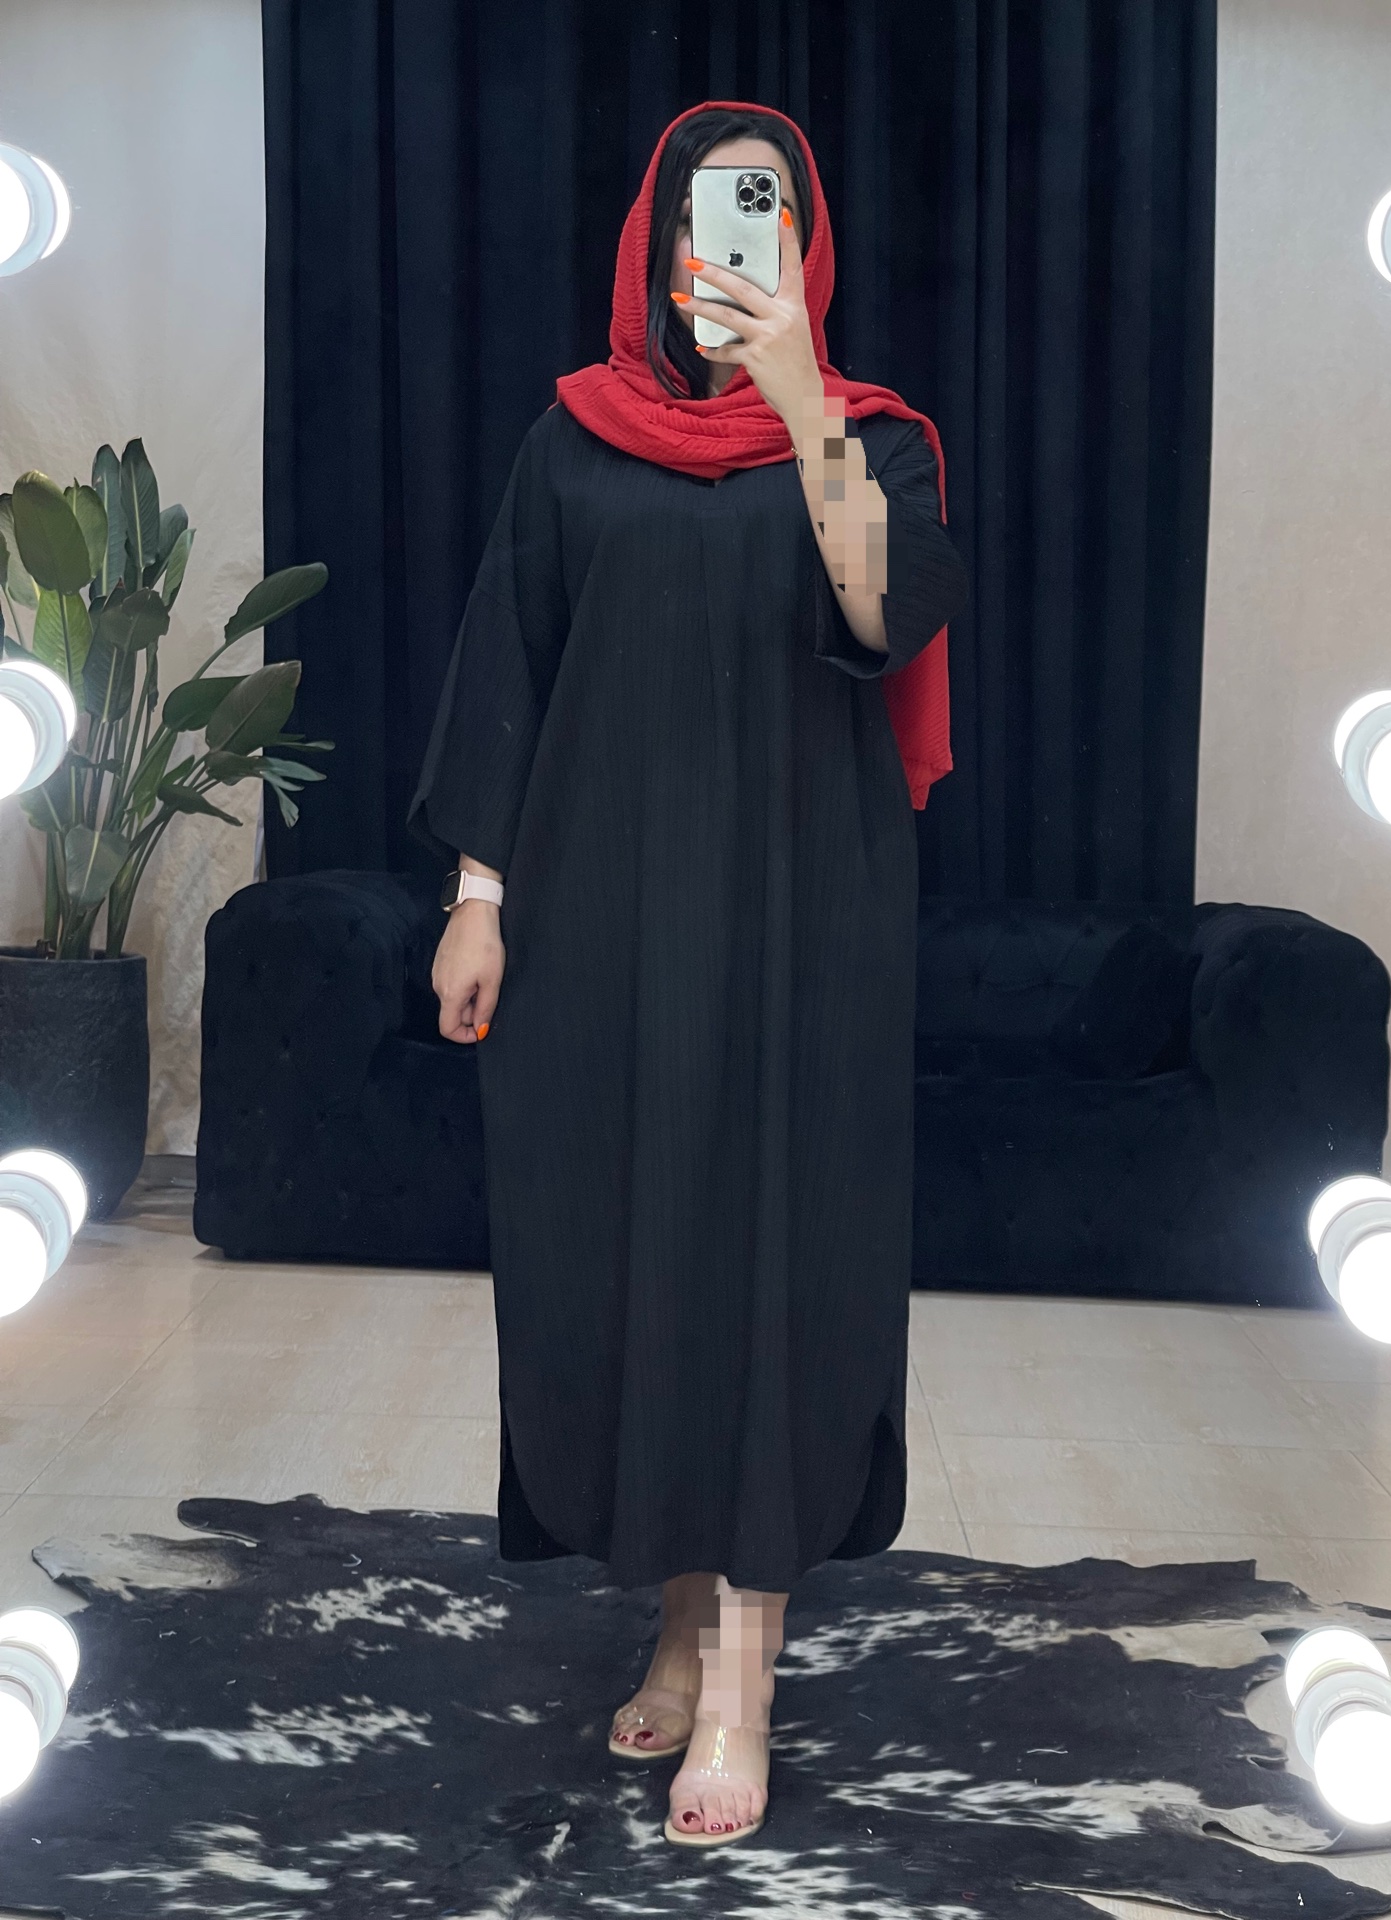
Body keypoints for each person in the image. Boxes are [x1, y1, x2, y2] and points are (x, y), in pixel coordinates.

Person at [407, 99, 967, 1848]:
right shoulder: (573, 439)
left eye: (765, 208)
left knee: (776, 1260)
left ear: (805, 242)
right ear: (655, 244)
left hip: (806, 918)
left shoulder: (878, 439)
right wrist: (478, 895)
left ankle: (745, 1682)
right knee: (629, 1251)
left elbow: (886, 615)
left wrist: (803, 404)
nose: (731, 240)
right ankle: (670, 1613)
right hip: (601, 913)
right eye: (705, 211)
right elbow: (511, 661)